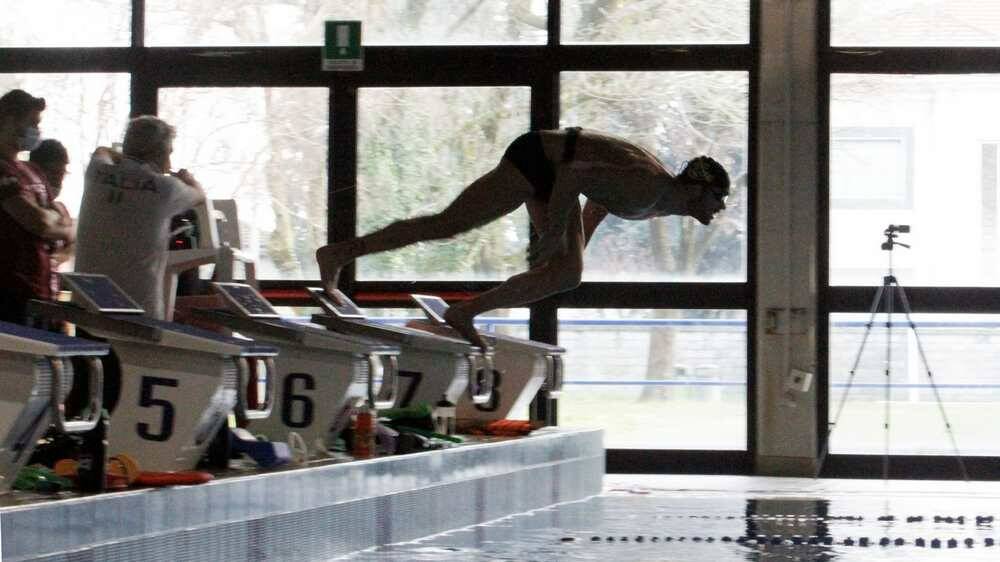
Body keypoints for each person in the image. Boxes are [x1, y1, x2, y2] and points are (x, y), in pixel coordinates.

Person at [316, 127, 731, 350]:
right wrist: (553, 236)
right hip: (539, 159)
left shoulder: (661, 200)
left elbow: (599, 202)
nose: (720, 208)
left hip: (558, 169)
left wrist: (569, 251)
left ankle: (462, 313)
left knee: (567, 273)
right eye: (718, 198)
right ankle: (343, 253)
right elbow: (574, 174)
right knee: (448, 225)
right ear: (699, 188)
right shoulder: (649, 187)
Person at [74, 115, 205, 319]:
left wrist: (123, 156)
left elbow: (101, 150)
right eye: (169, 152)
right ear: (158, 152)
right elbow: (199, 195)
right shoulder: (166, 188)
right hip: (136, 313)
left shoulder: (96, 171)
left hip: (88, 306)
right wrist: (187, 179)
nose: (169, 161)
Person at [0, 89, 75, 324]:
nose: (36, 130)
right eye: (32, 123)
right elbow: (40, 222)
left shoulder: (32, 171)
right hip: (10, 296)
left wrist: (57, 222)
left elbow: (70, 228)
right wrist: (54, 221)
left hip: (43, 296)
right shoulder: (2, 170)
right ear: (9, 120)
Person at [29, 139, 75, 280]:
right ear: (34, 170)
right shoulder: (22, 205)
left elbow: (70, 245)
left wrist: (53, 261)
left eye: (62, 174)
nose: (58, 181)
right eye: (53, 173)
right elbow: (43, 224)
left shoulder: (61, 209)